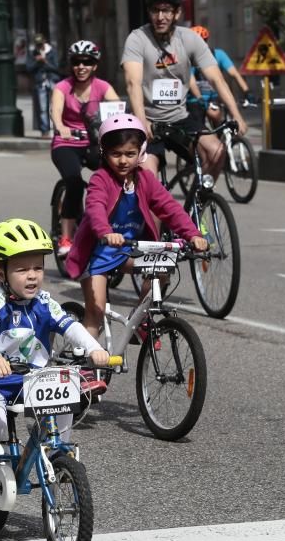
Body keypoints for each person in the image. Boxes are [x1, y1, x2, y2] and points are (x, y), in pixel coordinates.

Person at [0, 218, 110, 506]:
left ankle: (58, 455)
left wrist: (95, 349)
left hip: (30, 380)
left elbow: (69, 326)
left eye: (37, 267)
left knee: (65, 404)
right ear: (1, 272)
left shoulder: (44, 302)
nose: (32, 276)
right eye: (22, 269)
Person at [64, 114, 209, 341]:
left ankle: (140, 320)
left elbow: (170, 208)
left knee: (162, 267)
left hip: (129, 250)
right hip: (98, 252)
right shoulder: (100, 179)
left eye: (130, 154)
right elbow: (95, 208)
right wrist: (105, 232)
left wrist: (192, 234)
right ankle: (84, 365)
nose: (123, 161)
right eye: (116, 154)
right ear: (104, 152)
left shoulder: (145, 180)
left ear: (140, 153)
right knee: (96, 311)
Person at [121, 0, 247, 180]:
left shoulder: (189, 39)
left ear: (177, 13)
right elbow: (132, 83)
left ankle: (199, 200)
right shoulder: (137, 39)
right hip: (147, 119)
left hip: (179, 118)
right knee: (148, 177)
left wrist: (236, 115)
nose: (160, 17)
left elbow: (217, 79)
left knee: (216, 152)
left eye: (166, 11)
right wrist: (142, 121)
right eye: (155, 11)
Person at [50, 39, 121, 257]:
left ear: (95, 65)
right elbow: (56, 111)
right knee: (73, 182)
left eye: (87, 62)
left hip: (94, 142)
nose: (81, 67)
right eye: (77, 62)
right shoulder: (62, 87)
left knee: (116, 177)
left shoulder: (103, 87)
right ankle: (66, 237)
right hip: (67, 143)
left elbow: (119, 111)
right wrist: (61, 127)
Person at [186, 25, 254, 127]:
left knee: (219, 119)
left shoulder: (219, 54)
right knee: (198, 128)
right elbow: (191, 81)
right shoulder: (189, 57)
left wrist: (247, 92)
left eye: (203, 41)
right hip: (196, 99)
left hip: (215, 97)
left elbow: (235, 74)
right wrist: (199, 98)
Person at [26, 33, 61, 137]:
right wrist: (37, 62)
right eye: (37, 45)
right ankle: (44, 131)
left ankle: (58, 128)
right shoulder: (33, 54)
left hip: (52, 80)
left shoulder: (52, 52)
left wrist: (45, 62)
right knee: (42, 108)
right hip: (40, 82)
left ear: (44, 42)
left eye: (40, 44)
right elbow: (29, 68)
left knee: (56, 106)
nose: (39, 47)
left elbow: (56, 68)